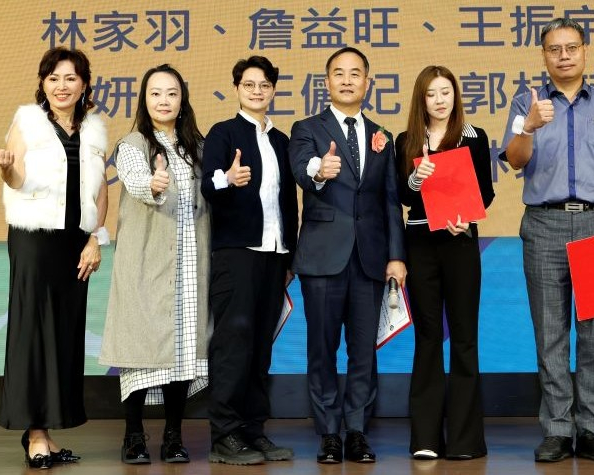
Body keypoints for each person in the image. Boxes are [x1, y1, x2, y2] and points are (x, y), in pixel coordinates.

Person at [499, 18, 594, 464]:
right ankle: (557, 429)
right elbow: (514, 161)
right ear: (544, 55)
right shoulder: (527, 102)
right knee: (550, 333)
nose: (563, 56)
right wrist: (528, 127)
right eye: (554, 49)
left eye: (571, 47)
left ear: (584, 51)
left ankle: (592, 428)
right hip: (544, 224)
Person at [0, 47, 107, 469]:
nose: (62, 86)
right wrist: (5, 168)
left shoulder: (95, 128)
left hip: (76, 243)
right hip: (34, 239)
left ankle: (47, 430)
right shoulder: (27, 121)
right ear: (43, 83)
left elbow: (100, 191)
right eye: (53, 78)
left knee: (64, 335)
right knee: (34, 332)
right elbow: (16, 177)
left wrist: (96, 239)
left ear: (84, 84)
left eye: (70, 78)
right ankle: (34, 432)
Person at [288, 46, 406, 464]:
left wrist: (396, 256)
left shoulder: (382, 135)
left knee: (363, 351)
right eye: (339, 73)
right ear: (326, 82)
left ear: (367, 83)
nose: (347, 80)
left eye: (356, 73)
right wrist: (319, 171)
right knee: (321, 348)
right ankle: (328, 433)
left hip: (370, 258)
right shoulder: (307, 128)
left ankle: (356, 430)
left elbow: (390, 200)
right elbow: (301, 169)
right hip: (323, 257)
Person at [97, 64, 210, 465]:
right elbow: (134, 180)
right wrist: (153, 184)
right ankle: (133, 436)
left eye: (172, 93)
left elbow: (212, 192)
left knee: (183, 352)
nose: (164, 101)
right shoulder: (132, 145)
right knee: (141, 349)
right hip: (146, 263)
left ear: (183, 101)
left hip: (191, 263)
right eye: (155, 93)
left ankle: (174, 436)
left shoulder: (197, 144)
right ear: (144, 100)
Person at [200, 55, 298, 466]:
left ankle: (254, 431)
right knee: (233, 344)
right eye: (249, 84)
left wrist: (291, 255)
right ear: (237, 88)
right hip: (236, 254)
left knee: (260, 347)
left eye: (265, 85)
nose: (257, 91)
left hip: (274, 255)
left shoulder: (281, 140)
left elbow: (289, 203)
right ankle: (225, 434)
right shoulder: (223, 133)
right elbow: (208, 185)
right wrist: (228, 178)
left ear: (273, 90)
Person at [394, 65, 494, 461]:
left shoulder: (473, 136)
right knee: (428, 337)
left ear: (455, 96)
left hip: (460, 242)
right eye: (432, 94)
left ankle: (466, 440)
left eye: (446, 92)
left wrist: (466, 217)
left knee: (465, 337)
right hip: (420, 243)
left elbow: (485, 193)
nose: (440, 100)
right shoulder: (407, 140)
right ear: (421, 99)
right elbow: (403, 196)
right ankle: (426, 437)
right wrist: (417, 177)